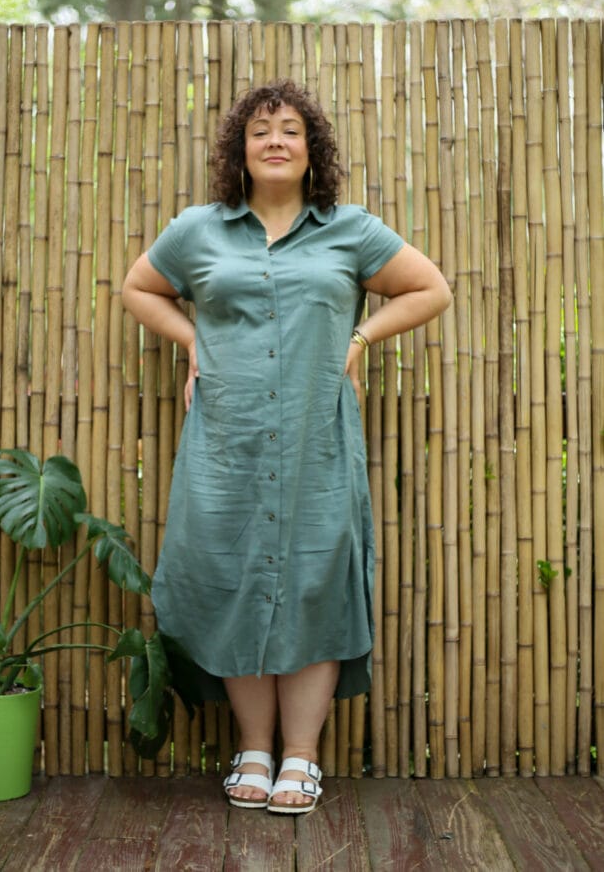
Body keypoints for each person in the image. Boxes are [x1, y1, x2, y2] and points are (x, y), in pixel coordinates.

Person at [122, 78, 451, 814]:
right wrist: (193, 344)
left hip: (317, 440)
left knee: (313, 580)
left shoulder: (350, 230)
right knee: (236, 578)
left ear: (312, 151)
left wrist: (360, 338)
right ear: (240, 150)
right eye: (260, 130)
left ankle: (301, 757)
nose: (275, 140)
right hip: (225, 441)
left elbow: (429, 289)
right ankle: (255, 749)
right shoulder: (197, 230)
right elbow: (139, 289)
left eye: (291, 130)